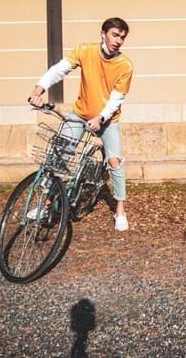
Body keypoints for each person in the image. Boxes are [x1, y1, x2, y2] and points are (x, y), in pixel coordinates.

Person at [29, 17, 133, 231]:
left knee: (114, 162)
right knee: (60, 154)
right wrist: (38, 90)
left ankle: (120, 210)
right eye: (115, 35)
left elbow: (116, 99)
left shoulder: (125, 65)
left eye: (122, 37)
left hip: (107, 119)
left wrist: (101, 118)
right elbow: (59, 70)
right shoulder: (85, 51)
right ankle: (47, 205)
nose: (118, 41)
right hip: (79, 113)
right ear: (103, 34)